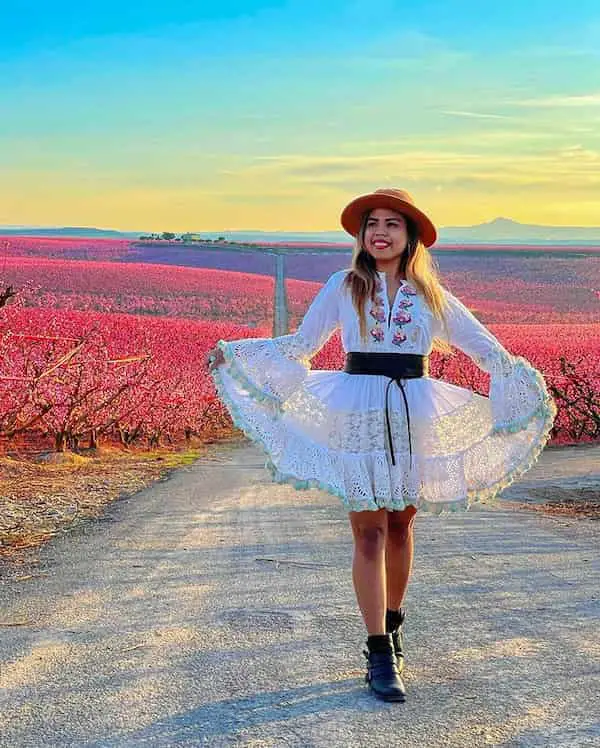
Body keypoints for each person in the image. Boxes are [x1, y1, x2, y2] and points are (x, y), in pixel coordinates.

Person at [205, 187, 557, 703]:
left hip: (413, 413)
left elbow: (488, 351)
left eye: (393, 223)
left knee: (400, 524)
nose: (381, 232)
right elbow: (303, 345)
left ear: (410, 235)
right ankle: (378, 652)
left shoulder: (433, 297)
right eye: (373, 223)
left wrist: (525, 387)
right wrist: (240, 357)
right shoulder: (343, 286)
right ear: (362, 235)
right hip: (358, 411)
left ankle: (394, 624)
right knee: (367, 532)